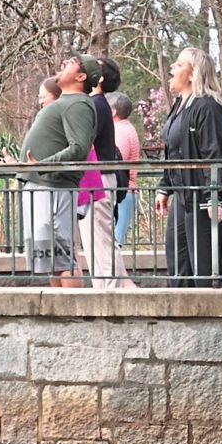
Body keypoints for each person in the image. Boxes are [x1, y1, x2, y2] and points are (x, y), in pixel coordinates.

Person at [153, 47, 222, 288]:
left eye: (178, 65)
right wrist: (164, 187)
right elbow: (173, 151)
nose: (172, 69)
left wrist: (214, 197)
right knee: (178, 264)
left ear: (192, 73)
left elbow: (214, 155)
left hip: (204, 199)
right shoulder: (179, 107)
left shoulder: (208, 108)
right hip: (183, 197)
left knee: (204, 267)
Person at [13, 58, 97, 287]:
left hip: (54, 188)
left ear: (81, 77)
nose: (63, 63)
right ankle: (62, 315)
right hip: (42, 186)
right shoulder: (68, 102)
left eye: (71, 63)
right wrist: (18, 164)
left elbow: (79, 148)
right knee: (51, 259)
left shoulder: (78, 104)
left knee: (62, 259)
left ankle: (74, 318)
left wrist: (43, 165)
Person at [78, 56, 134, 288]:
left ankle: (111, 289)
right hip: (96, 179)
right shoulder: (96, 104)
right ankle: (108, 287)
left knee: (100, 237)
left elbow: (86, 144)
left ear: (99, 78)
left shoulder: (97, 105)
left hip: (98, 179)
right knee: (95, 238)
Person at [107, 91, 141, 247]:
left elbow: (116, 163)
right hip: (126, 192)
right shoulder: (127, 128)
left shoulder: (119, 131)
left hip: (122, 192)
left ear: (113, 112)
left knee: (114, 244)